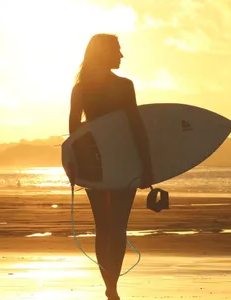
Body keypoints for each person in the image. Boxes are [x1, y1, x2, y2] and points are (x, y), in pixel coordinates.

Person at [68, 33, 154, 300]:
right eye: (117, 50)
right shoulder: (124, 86)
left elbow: (73, 132)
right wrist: (147, 166)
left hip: (95, 164)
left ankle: (111, 285)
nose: (121, 55)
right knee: (117, 227)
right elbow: (136, 128)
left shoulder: (81, 89)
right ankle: (112, 286)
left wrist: (77, 166)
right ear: (104, 52)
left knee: (103, 226)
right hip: (124, 162)